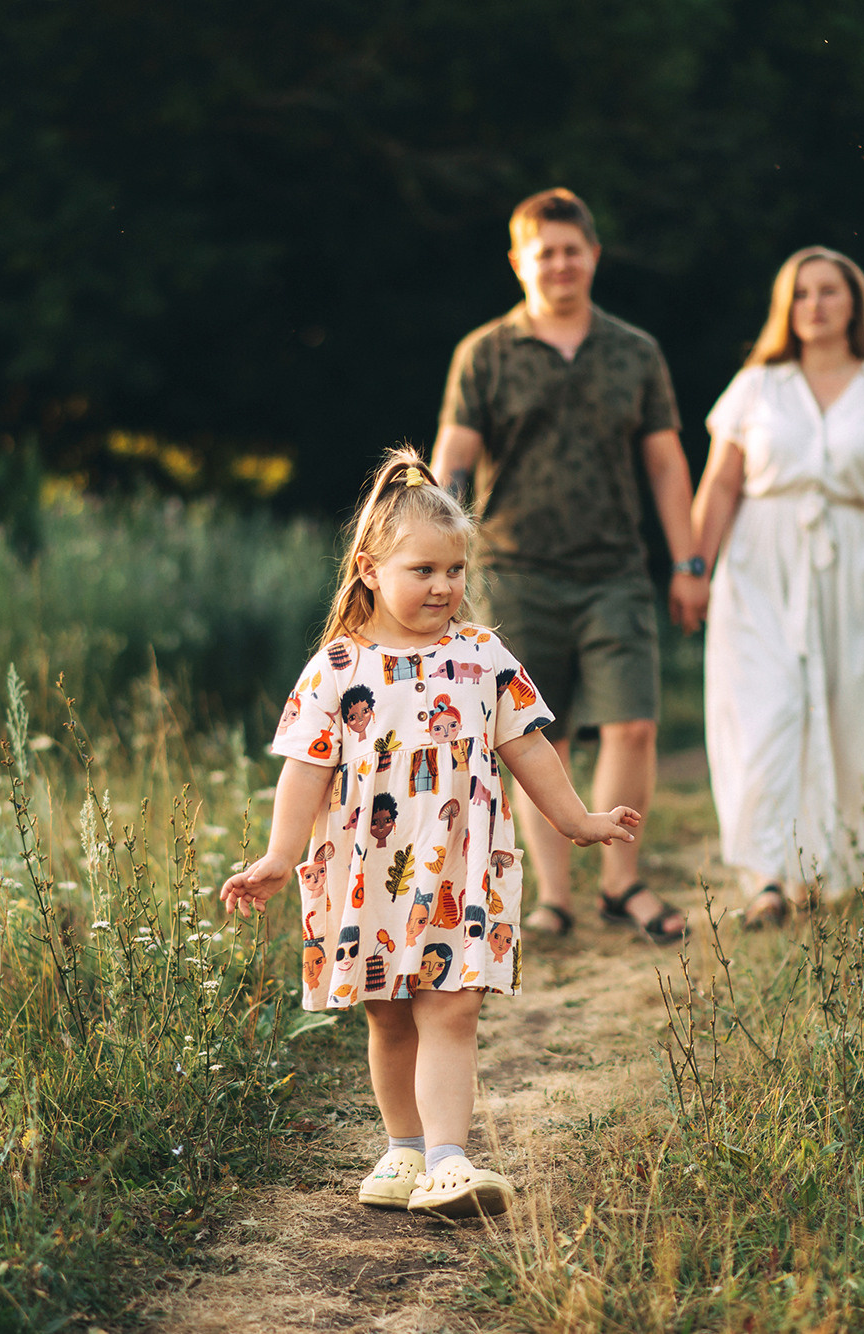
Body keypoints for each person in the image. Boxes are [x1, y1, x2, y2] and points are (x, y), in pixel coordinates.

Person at [221, 448, 640, 1219]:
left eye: (455, 570)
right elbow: (304, 769)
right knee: (387, 1013)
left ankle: (450, 1159)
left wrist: (576, 819)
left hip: (457, 868)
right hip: (366, 869)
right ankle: (403, 1149)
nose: (444, 587)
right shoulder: (337, 667)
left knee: (452, 1007)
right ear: (370, 569)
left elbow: (529, 746)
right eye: (423, 571)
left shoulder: (483, 657)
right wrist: (281, 854)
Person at [432, 188, 702, 944]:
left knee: (633, 724)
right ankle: (555, 898)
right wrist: (437, 565)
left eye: (571, 249)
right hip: (512, 572)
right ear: (519, 261)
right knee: (533, 737)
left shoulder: (634, 351)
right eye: (543, 252)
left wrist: (687, 560)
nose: (559, 264)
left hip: (615, 569)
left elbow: (666, 464)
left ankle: (622, 884)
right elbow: (452, 462)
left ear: (594, 257)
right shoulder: (484, 352)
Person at [679, 246, 864, 926]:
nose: (814, 305)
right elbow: (723, 483)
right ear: (784, 309)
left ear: (854, 303)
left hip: (860, 567)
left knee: (857, 709)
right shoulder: (757, 387)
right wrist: (694, 570)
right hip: (761, 568)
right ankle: (767, 875)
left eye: (828, 291)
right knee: (765, 712)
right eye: (801, 294)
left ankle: (843, 867)